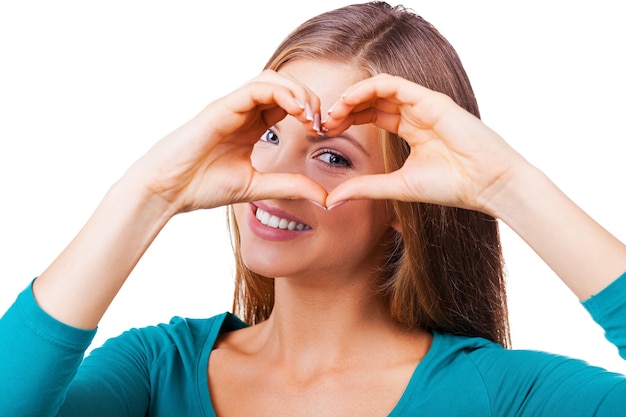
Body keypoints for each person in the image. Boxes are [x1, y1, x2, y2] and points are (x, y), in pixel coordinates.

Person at [1, 1, 625, 415]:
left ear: (411, 199)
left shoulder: (500, 395)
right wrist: (148, 194)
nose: (274, 178)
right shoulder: (156, 371)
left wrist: (505, 185)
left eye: (333, 157)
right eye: (269, 136)